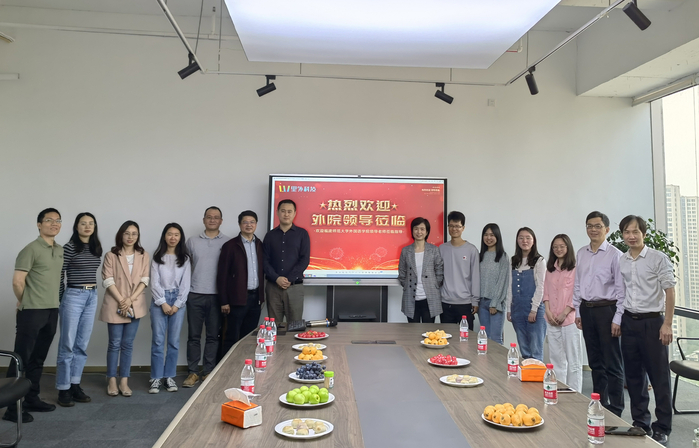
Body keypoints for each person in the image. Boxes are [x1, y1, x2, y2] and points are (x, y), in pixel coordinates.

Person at [618, 215, 675, 445]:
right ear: (622, 234)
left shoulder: (657, 258)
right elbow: (622, 292)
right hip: (629, 322)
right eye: (627, 232)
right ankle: (640, 422)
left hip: (653, 323)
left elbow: (670, 291)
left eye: (635, 232)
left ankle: (662, 427)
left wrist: (667, 324)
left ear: (644, 233)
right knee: (633, 377)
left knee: (659, 377)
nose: (631, 236)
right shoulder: (622, 260)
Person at [4, 208, 63, 424]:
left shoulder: (59, 250)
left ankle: (31, 398)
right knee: (21, 359)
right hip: (32, 312)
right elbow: (17, 282)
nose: (54, 223)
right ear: (39, 225)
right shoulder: (30, 249)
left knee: (38, 358)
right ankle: (12, 408)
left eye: (58, 220)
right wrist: (25, 301)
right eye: (49, 220)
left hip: (52, 310)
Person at [572, 211, 625, 416]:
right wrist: (578, 311)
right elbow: (578, 285)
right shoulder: (581, 253)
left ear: (607, 229)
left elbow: (621, 290)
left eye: (597, 226)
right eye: (589, 226)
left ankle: (616, 409)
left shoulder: (615, 255)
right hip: (587, 310)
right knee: (595, 362)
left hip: (607, 311)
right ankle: (599, 404)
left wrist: (618, 318)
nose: (593, 230)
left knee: (612, 362)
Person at [56, 212, 103, 407]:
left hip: (92, 295)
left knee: (82, 344)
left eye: (91, 223)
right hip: (73, 295)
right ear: (76, 226)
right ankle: (63, 388)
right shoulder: (68, 247)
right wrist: (61, 299)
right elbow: (60, 274)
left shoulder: (95, 247)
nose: (87, 226)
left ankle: (75, 384)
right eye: (83, 223)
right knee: (67, 344)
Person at [99, 221, 150, 397]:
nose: (130, 237)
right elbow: (108, 280)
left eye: (134, 233)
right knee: (114, 344)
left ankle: (124, 381)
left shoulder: (143, 255)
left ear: (138, 236)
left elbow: (145, 280)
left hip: (134, 303)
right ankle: (112, 379)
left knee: (128, 344)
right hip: (116, 303)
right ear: (121, 235)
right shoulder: (111, 255)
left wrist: (129, 300)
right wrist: (122, 301)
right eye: (127, 233)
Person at [183, 206, 230, 388]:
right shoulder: (192, 242)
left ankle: (209, 371)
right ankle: (193, 372)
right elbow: (184, 268)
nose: (212, 220)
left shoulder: (227, 242)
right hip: (195, 294)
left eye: (216, 217)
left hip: (217, 296)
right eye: (209, 217)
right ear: (204, 220)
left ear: (221, 221)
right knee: (193, 336)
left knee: (213, 336)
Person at [149, 223, 191, 394]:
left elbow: (186, 284)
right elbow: (154, 283)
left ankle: (169, 376)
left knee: (173, 341)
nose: (173, 237)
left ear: (180, 237)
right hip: (159, 300)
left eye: (176, 234)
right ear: (164, 236)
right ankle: (156, 377)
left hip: (178, 300)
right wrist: (163, 302)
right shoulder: (157, 257)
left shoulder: (185, 259)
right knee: (158, 341)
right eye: (169, 234)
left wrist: (177, 304)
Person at [218, 210, 265, 354]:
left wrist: (261, 297)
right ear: (239, 224)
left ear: (256, 224)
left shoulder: (260, 245)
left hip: (255, 299)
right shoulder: (230, 246)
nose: (249, 225)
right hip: (237, 299)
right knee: (232, 337)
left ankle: (245, 364)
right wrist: (224, 301)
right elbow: (222, 275)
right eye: (245, 222)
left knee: (249, 337)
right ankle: (227, 366)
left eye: (252, 222)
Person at [542, 234, 582, 392]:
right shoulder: (550, 269)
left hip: (569, 319)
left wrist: (565, 313)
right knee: (556, 360)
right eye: (555, 247)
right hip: (551, 319)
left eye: (561, 246)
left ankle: (575, 393)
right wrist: (547, 311)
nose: (558, 249)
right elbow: (546, 292)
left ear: (568, 247)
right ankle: (558, 390)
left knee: (573, 361)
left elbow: (577, 293)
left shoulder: (575, 269)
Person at [263, 199, 310, 323]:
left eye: (289, 211)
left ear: (295, 213)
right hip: (273, 287)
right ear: (277, 212)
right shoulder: (270, 236)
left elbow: (304, 259)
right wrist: (276, 278)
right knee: (274, 326)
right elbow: (264, 261)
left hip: (294, 287)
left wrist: (289, 278)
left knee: (295, 326)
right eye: (283, 211)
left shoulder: (302, 234)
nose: (286, 214)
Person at [506, 227, 546, 361]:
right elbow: (510, 286)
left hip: (534, 308)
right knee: (524, 347)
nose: (525, 241)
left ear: (533, 241)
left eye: (528, 238)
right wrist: (509, 309)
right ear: (517, 241)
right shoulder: (513, 261)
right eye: (521, 238)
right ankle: (526, 373)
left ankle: (536, 373)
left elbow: (541, 286)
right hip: (517, 308)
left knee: (535, 348)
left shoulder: (539, 261)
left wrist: (534, 309)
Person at [398, 217, 444, 323]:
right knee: (412, 330)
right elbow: (402, 273)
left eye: (422, 229)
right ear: (412, 231)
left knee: (428, 330)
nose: (419, 232)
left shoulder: (434, 250)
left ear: (427, 232)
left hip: (430, 297)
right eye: (416, 229)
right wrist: (407, 285)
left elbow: (439, 271)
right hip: (411, 297)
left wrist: (433, 285)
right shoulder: (405, 251)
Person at [439, 211, 479, 328]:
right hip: (446, 302)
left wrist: (475, 301)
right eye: (451, 226)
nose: (454, 229)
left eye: (457, 226)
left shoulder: (471, 250)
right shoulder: (441, 249)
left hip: (465, 303)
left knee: (465, 337)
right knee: (446, 336)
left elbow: (475, 277)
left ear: (463, 228)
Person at [478, 223, 509, 345]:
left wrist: (494, 303)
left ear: (497, 236)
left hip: (496, 304)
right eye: (486, 235)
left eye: (492, 235)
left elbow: (503, 282)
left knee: (495, 339)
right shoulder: (480, 256)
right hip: (482, 303)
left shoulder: (502, 257)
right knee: (485, 338)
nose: (488, 238)